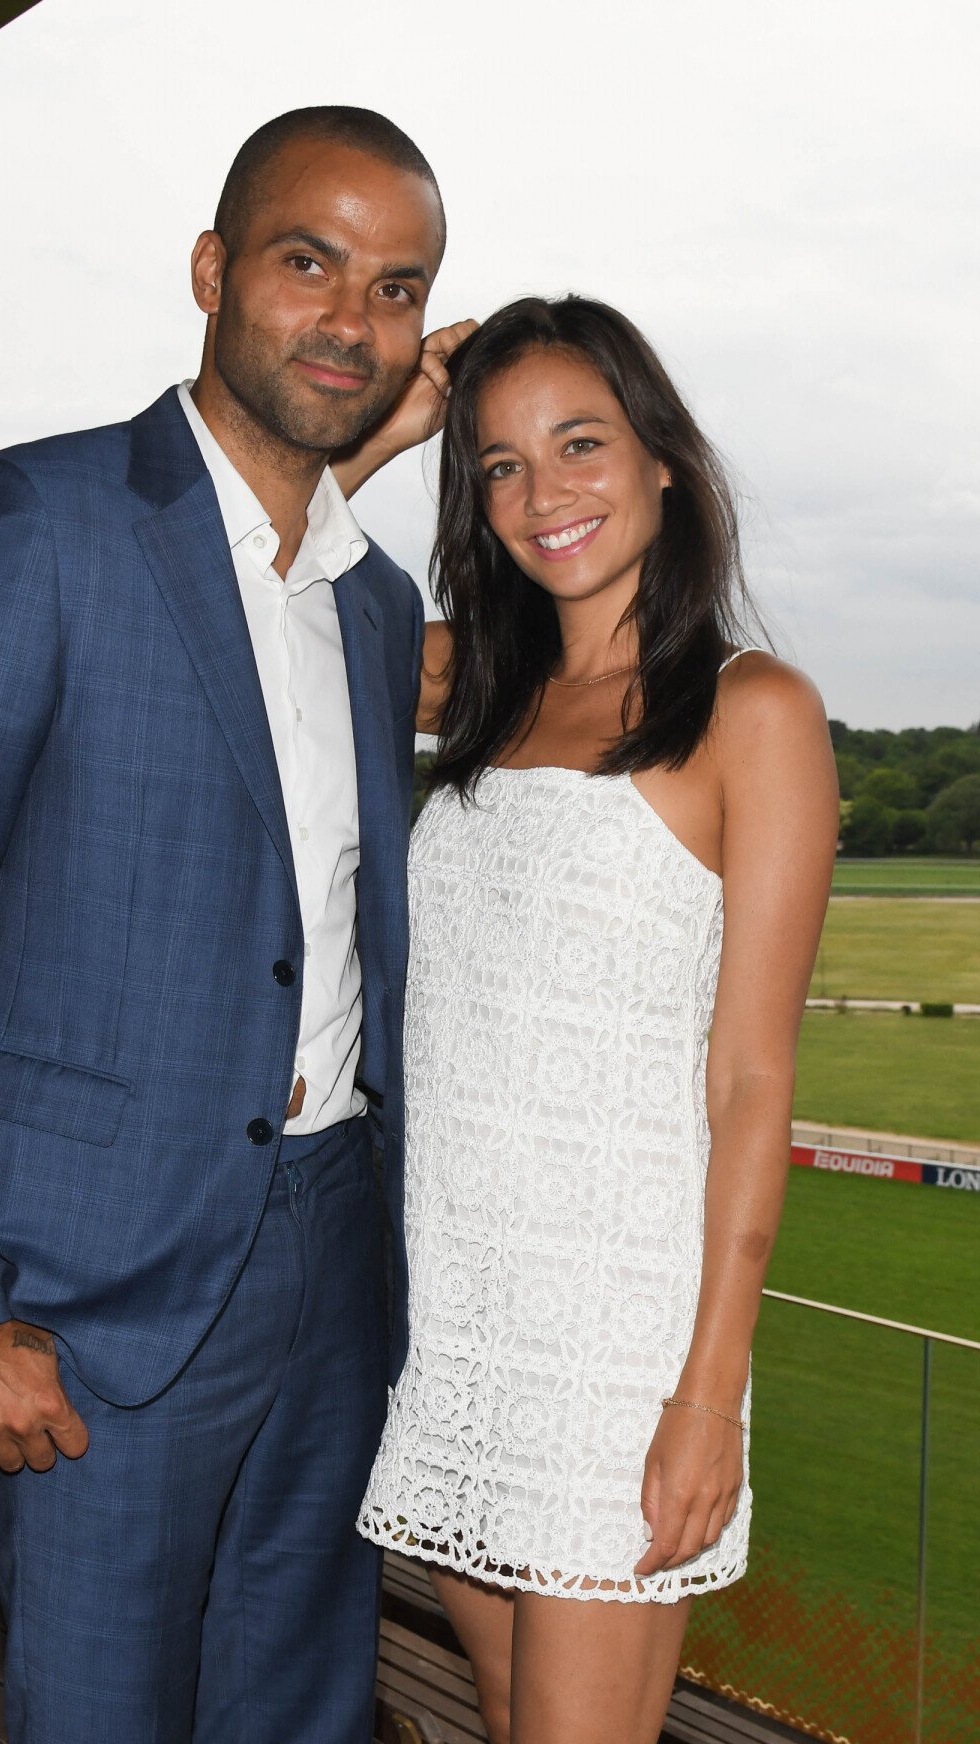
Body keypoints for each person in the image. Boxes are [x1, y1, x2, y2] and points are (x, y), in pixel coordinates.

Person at [0, 106, 464, 1744]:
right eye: (307, 262)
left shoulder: (378, 607)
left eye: (397, 290)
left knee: (305, 1714)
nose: (349, 318)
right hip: (94, 1308)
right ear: (211, 269)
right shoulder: (33, 526)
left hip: (335, 1262)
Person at [355, 296, 840, 1744]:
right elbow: (261, 579)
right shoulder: (475, 684)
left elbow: (754, 1081)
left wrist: (708, 1395)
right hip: (458, 1318)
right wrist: (382, 433)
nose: (541, 493)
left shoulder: (754, 712)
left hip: (614, 1348)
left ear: (664, 461)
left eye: (579, 444)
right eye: (498, 463)